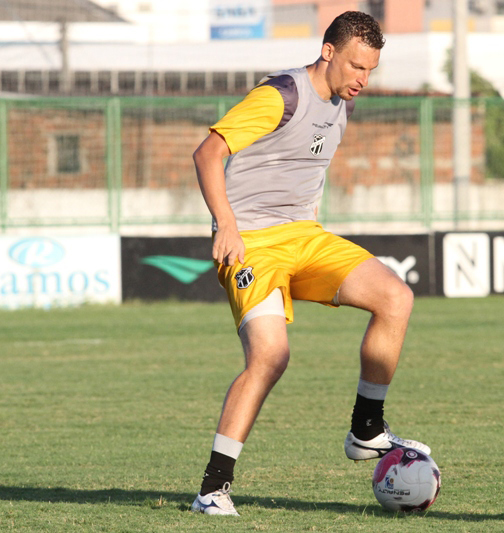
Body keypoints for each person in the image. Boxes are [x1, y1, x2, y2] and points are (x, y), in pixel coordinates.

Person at [190, 11, 430, 517]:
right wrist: (226, 224)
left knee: (395, 297)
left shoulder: (341, 104)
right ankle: (213, 489)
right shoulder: (283, 94)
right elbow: (208, 152)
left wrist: (310, 215)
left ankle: (366, 429)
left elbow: (303, 169)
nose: (363, 79)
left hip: (305, 238)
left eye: (371, 70)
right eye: (356, 66)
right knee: (271, 357)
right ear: (328, 52)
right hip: (252, 243)